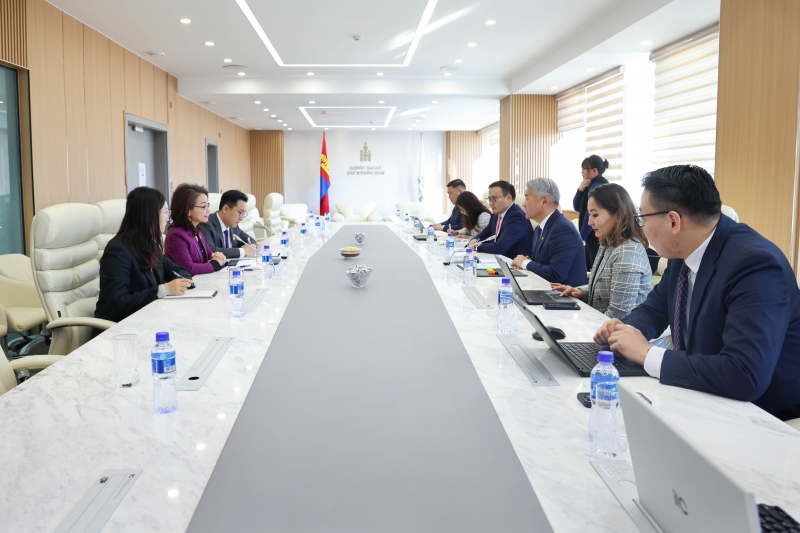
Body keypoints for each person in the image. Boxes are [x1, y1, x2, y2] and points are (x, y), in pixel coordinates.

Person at [594, 165, 800, 420]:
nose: (642, 227)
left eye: (643, 218)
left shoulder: (755, 265)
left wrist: (646, 354)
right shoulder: (684, 250)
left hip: (763, 414)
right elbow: (655, 309)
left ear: (673, 221)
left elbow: (745, 374)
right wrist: (623, 330)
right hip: (702, 394)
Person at [95, 187, 194, 324]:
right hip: (120, 328)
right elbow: (118, 304)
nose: (168, 218)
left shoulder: (151, 245)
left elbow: (180, 270)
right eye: (165, 212)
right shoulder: (118, 252)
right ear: (150, 215)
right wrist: (163, 290)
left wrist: (180, 283)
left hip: (148, 319)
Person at [552, 183, 651, 318]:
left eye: (595, 215)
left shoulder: (627, 252)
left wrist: (582, 324)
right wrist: (580, 292)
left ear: (618, 215)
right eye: (589, 215)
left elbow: (618, 315)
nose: (589, 222)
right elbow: (604, 289)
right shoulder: (608, 242)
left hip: (619, 328)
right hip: (603, 323)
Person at [509, 177, 586, 286]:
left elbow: (556, 275)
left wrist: (526, 263)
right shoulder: (540, 228)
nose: (523, 204)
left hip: (564, 294)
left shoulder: (563, 229)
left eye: (527, 199)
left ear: (544, 201)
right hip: (543, 289)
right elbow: (542, 263)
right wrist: (525, 263)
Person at [164, 183, 228, 275]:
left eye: (208, 205)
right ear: (188, 210)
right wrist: (215, 264)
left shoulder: (196, 231)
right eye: (203, 206)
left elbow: (210, 256)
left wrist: (219, 257)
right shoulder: (176, 235)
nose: (208, 210)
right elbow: (188, 268)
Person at [467, 181, 533, 257]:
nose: (491, 203)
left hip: (512, 262)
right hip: (497, 258)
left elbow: (499, 248)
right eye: (490, 199)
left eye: (494, 198)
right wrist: (474, 240)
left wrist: (476, 246)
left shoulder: (517, 217)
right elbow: (484, 234)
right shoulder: (496, 214)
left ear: (508, 198)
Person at [573, 155, 609, 270]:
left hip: (595, 236)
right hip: (591, 235)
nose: (582, 172)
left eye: (584, 169)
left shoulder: (597, 186)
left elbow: (590, 214)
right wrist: (580, 190)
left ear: (594, 170)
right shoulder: (590, 185)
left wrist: (581, 238)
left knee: (593, 269)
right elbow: (577, 207)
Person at [200, 189, 258, 258]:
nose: (241, 218)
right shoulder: (206, 224)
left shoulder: (234, 226)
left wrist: (251, 247)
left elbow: (250, 241)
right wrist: (243, 251)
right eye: (240, 212)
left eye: (243, 214)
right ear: (226, 209)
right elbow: (210, 251)